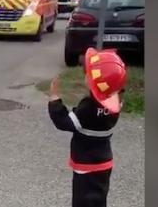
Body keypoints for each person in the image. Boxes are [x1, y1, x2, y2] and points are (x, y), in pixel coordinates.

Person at [48, 47, 127, 207]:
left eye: (88, 75)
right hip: (104, 161)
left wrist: (55, 100)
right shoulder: (115, 103)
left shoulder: (87, 107)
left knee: (82, 200)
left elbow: (65, 123)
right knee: (98, 199)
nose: (86, 76)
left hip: (86, 163)